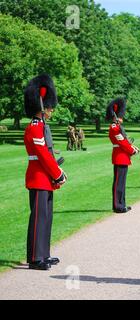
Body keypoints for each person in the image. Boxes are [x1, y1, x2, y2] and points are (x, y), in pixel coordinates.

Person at [24, 75, 67, 270]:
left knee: (47, 217)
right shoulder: (34, 127)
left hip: (45, 178)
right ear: (42, 106)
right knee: (38, 218)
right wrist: (58, 173)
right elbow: (42, 154)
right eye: (49, 106)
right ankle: (35, 257)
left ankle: (44, 254)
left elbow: (47, 154)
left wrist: (56, 172)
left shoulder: (41, 126)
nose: (51, 109)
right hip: (39, 177)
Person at [106, 98, 140, 214]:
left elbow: (125, 141)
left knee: (121, 183)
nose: (122, 118)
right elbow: (121, 142)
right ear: (116, 116)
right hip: (120, 156)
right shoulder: (114, 127)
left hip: (123, 157)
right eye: (120, 115)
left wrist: (132, 147)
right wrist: (132, 150)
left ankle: (122, 204)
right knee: (118, 183)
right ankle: (118, 206)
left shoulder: (118, 127)